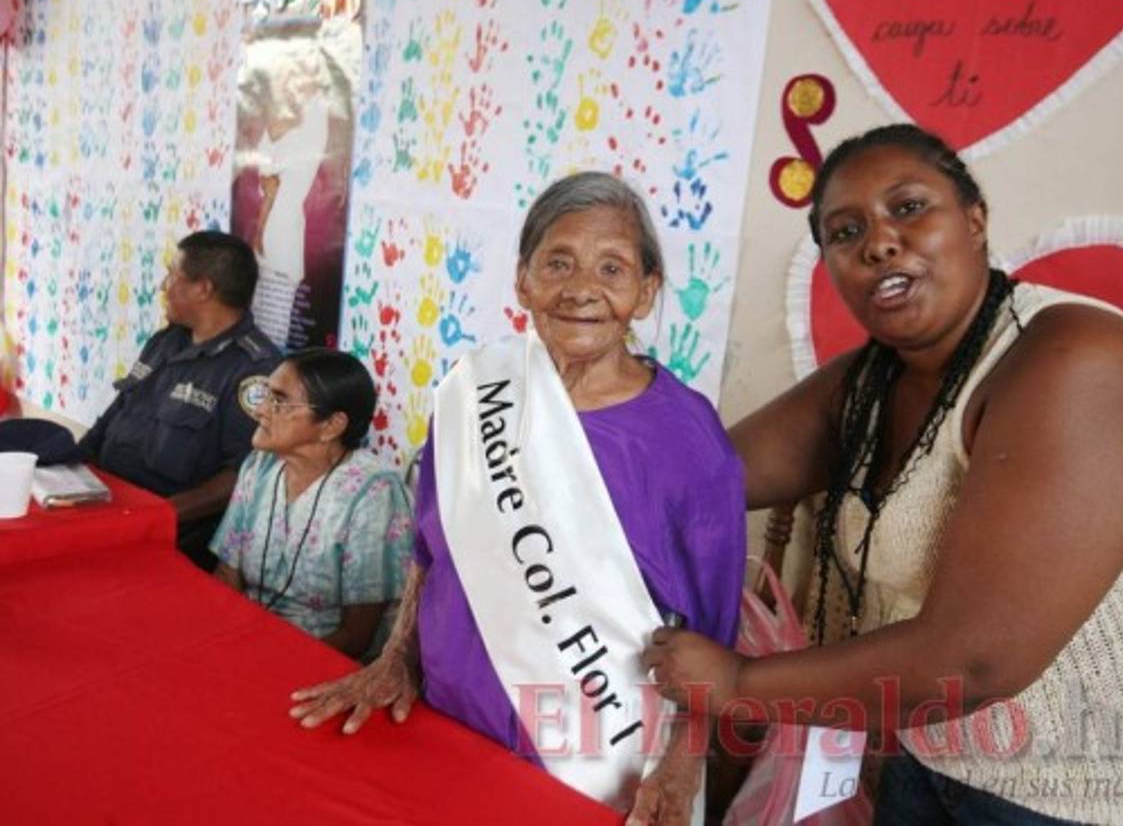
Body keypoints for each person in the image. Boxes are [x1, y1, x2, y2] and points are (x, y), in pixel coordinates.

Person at [643, 124, 1123, 824]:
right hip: (926, 768)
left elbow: (976, 660)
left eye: (907, 208)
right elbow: (700, 482)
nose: (877, 241)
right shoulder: (870, 383)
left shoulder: (1079, 362)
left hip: (1097, 796)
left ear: (973, 220)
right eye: (844, 233)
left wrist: (737, 683)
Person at [288, 172, 745, 824]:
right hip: (443, 726)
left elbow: (713, 634)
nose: (582, 288)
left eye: (611, 268)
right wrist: (395, 660)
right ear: (523, 280)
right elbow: (430, 549)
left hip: (589, 768)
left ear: (644, 293)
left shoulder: (689, 442)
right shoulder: (475, 394)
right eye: (558, 262)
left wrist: (681, 767)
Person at [79, 231, 281, 566]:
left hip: (169, 536)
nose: (163, 285)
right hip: (106, 504)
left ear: (203, 288)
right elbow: (116, 413)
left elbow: (241, 476)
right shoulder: (165, 342)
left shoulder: (254, 372)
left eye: (172, 274)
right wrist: (70, 465)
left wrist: (154, 516)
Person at [210, 348, 413, 660]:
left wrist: (270, 660)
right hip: (244, 640)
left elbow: (357, 636)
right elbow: (227, 576)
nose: (262, 409)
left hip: (320, 659)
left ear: (331, 426)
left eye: (279, 400)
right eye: (264, 394)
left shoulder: (373, 491)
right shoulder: (259, 464)